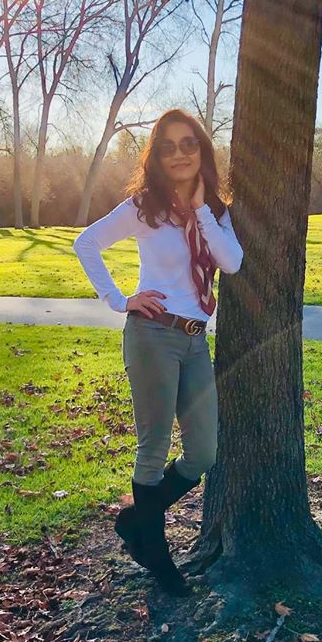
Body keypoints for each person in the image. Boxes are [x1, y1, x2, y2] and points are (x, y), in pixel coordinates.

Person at [72, 108, 243, 597]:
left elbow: (231, 263)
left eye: (189, 144)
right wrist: (120, 299)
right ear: (156, 156)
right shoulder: (144, 207)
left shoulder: (216, 210)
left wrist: (201, 208)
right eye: (167, 147)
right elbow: (87, 243)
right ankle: (158, 554)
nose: (179, 154)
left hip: (195, 340)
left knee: (204, 451)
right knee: (153, 447)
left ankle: (137, 521)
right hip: (152, 335)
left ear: (202, 149)